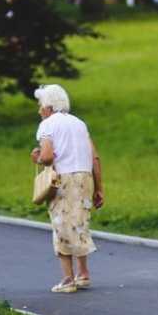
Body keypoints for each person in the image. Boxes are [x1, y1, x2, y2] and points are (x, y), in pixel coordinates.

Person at [30, 84, 105, 293]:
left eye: (40, 106)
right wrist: (100, 188)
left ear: (48, 106)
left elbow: (46, 157)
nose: (39, 110)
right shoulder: (80, 123)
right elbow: (95, 157)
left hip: (64, 180)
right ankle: (83, 274)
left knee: (61, 225)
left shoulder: (47, 125)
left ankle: (67, 279)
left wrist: (37, 158)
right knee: (79, 223)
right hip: (85, 178)